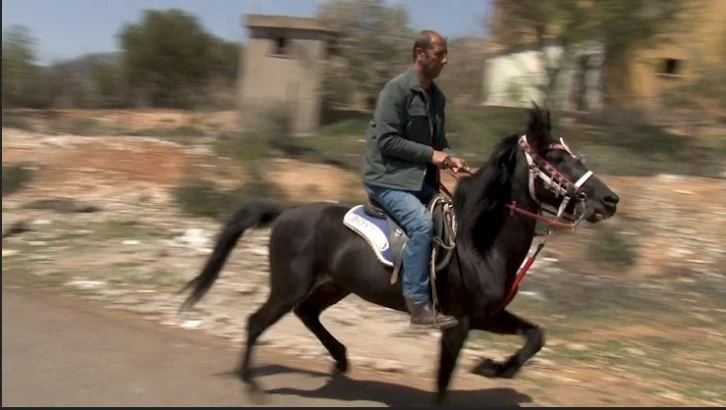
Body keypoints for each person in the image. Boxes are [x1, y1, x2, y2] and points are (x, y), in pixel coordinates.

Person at [362, 30, 469, 329]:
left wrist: (451, 158)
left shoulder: (438, 99)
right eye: (439, 55)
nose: (445, 60)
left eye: (445, 55)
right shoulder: (395, 91)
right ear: (420, 55)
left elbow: (440, 142)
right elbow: (387, 141)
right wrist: (434, 156)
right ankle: (417, 304)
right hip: (387, 179)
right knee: (422, 224)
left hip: (418, 180)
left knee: (453, 219)